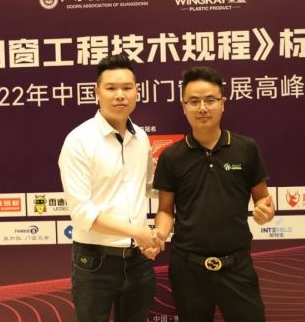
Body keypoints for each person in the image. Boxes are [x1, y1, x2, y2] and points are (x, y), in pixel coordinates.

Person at [153, 66, 275, 322]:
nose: (202, 108)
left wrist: (265, 211)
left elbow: (262, 199)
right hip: (188, 270)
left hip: (237, 266)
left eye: (210, 100)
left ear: (223, 103)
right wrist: (160, 234)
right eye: (194, 101)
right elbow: (165, 210)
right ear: (183, 106)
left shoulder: (246, 148)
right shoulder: (171, 157)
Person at [58, 54, 160, 322]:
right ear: (97, 92)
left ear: (137, 92)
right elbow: (82, 213)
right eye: (111, 88)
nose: (120, 95)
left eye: (127, 87)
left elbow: (150, 187)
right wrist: (137, 232)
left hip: (139, 260)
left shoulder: (141, 138)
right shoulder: (79, 140)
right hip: (95, 262)